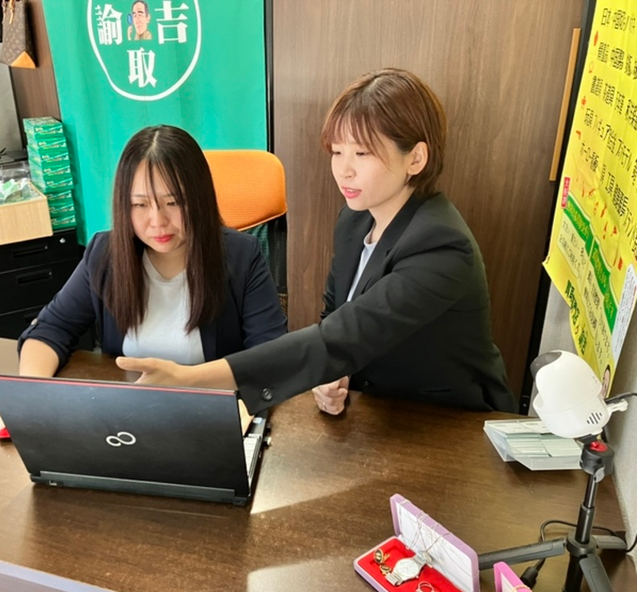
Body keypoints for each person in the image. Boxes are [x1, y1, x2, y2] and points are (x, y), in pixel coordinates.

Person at [117, 68, 517, 416]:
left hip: (450, 423)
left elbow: (338, 338)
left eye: (362, 153)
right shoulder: (355, 220)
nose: (344, 169)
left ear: (415, 158)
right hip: (375, 412)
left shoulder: (441, 246)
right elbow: (336, 319)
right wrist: (333, 376)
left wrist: (192, 378)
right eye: (337, 151)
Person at [0, 125, 287, 432]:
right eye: (140, 204)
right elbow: (51, 328)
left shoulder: (241, 256)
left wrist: (189, 380)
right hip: (128, 420)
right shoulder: (105, 254)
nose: (157, 221)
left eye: (173, 202)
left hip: (212, 416)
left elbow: (273, 357)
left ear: (199, 199)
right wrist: (28, 394)